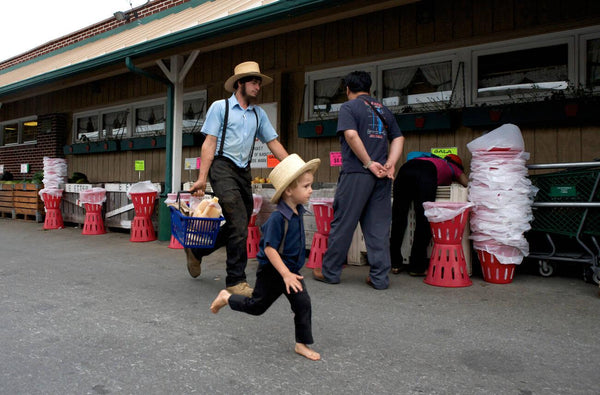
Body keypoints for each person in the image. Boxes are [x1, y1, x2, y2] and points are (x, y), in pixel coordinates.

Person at [186, 61, 289, 297]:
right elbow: (209, 143)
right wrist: (202, 178)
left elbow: (273, 143)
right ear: (240, 84)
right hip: (222, 167)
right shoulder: (220, 108)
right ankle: (235, 279)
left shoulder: (258, 114)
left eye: (259, 82)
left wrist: (295, 166)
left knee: (239, 224)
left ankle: (196, 251)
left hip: (243, 170)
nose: (257, 86)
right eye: (253, 82)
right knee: (239, 218)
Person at [210, 154, 321, 361]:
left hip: (290, 272)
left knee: (302, 303)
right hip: (273, 272)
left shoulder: (298, 211)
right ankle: (227, 297)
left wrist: (290, 273)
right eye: (306, 186)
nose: (310, 190)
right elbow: (270, 250)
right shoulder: (278, 218)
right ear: (289, 190)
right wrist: (285, 274)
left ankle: (301, 344)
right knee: (257, 307)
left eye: (310, 185)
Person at [313, 71, 404, 290]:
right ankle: (380, 278)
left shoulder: (348, 107)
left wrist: (368, 162)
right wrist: (390, 163)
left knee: (343, 223)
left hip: (357, 173)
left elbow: (351, 135)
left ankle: (330, 272)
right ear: (370, 88)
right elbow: (399, 137)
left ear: (347, 89)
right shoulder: (383, 109)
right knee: (378, 227)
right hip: (382, 176)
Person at [389, 153, 469, 276]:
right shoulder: (453, 167)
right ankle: (417, 267)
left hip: (405, 169)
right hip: (426, 173)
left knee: (398, 217)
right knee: (423, 219)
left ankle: (395, 263)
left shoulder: (430, 159)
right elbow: (466, 183)